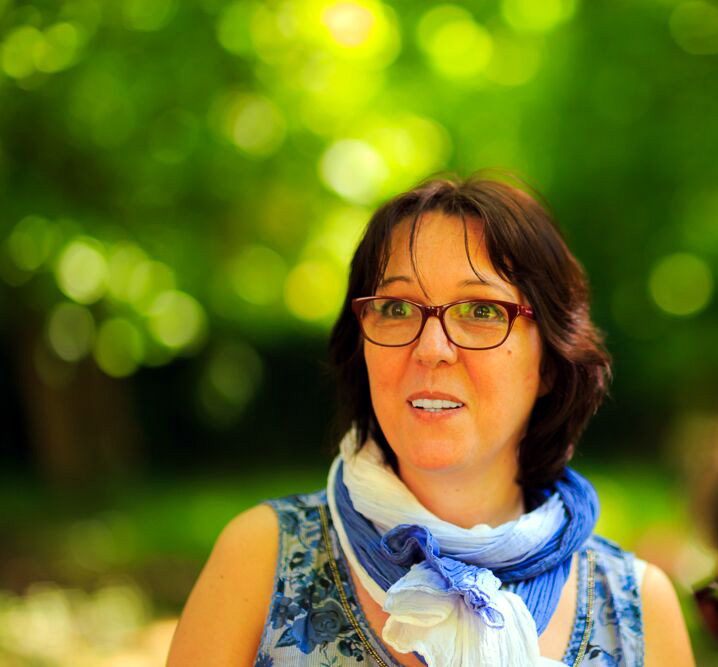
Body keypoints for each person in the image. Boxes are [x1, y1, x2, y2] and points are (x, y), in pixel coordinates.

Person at [167, 174, 696, 666]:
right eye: (397, 308)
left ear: (550, 364)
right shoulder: (261, 561)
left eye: (482, 310)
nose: (431, 348)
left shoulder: (638, 608)